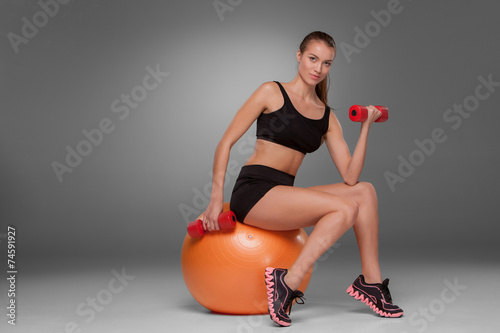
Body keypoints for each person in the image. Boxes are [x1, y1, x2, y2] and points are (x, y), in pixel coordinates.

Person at [202, 31, 403, 326]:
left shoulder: (326, 117)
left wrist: (365, 128)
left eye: (326, 63)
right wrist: (216, 199)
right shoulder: (271, 92)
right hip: (254, 192)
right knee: (345, 209)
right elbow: (225, 143)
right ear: (299, 56)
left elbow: (350, 176)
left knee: (364, 192)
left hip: (283, 194)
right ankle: (289, 280)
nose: (317, 69)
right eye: (312, 58)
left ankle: (370, 283)